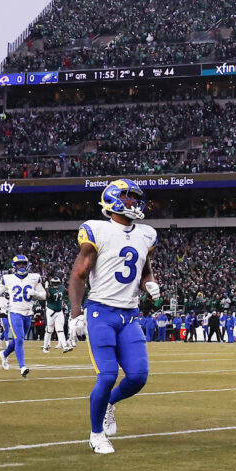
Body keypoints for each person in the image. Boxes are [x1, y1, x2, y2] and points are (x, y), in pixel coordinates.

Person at [68, 179, 160, 454]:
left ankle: (109, 403)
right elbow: (78, 274)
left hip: (130, 314)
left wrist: (150, 283)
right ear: (112, 198)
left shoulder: (146, 234)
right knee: (107, 375)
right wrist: (75, 314)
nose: (132, 202)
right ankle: (96, 434)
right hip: (101, 311)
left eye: (135, 197)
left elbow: (144, 271)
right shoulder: (98, 230)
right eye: (127, 197)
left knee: (138, 376)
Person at [0, 255, 46, 378]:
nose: (21, 266)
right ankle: (22, 367)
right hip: (14, 311)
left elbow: (43, 295)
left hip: (28, 312)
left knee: (18, 340)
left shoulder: (34, 278)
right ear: (14, 266)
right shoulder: (8, 278)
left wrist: (36, 293)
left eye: (23, 264)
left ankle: (4, 354)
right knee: (20, 339)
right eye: (19, 264)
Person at [42, 276, 73, 353]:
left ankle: (65, 347)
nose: (55, 284)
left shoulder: (62, 288)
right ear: (51, 283)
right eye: (54, 283)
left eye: (57, 283)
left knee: (60, 329)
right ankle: (45, 347)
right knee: (49, 330)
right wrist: (46, 288)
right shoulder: (49, 289)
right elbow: (47, 296)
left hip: (59, 311)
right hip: (51, 311)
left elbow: (69, 292)